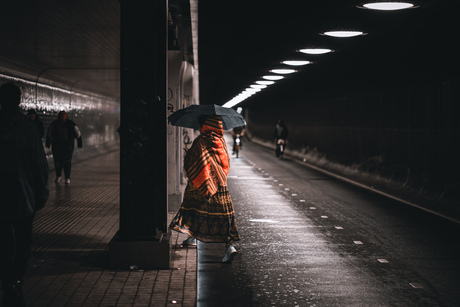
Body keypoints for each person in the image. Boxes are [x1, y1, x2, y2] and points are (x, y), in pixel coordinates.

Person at [0, 82, 49, 307]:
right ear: (18, 100)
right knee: (23, 241)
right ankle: (15, 280)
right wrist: (41, 192)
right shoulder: (26, 128)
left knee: (4, 241)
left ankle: (7, 279)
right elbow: (38, 163)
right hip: (22, 194)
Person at [169, 115, 240, 263]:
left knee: (194, 208)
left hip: (199, 185)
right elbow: (226, 163)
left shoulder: (200, 141)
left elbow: (190, 163)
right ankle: (229, 246)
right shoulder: (220, 141)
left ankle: (192, 237)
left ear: (205, 125)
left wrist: (189, 154)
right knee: (223, 216)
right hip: (220, 186)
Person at [46, 111, 82, 184]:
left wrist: (80, 143)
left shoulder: (69, 124)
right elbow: (49, 134)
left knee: (66, 161)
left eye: (63, 115)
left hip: (65, 145)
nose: (62, 116)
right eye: (61, 115)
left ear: (66, 116)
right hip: (60, 145)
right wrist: (48, 143)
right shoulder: (58, 124)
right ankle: (59, 176)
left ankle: (66, 177)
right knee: (58, 161)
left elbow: (78, 133)